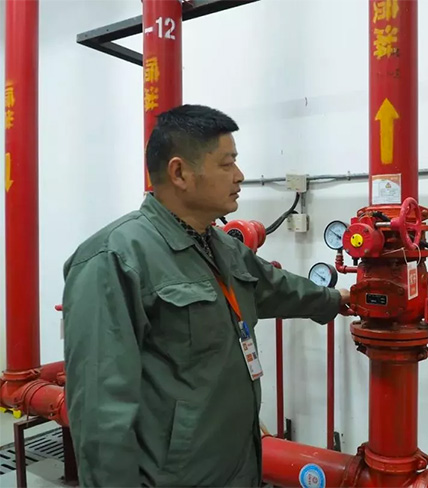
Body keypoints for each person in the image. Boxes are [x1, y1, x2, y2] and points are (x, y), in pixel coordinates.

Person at [62, 104, 350, 487]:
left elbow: (275, 288)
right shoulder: (114, 259)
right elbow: (102, 414)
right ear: (180, 173)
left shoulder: (219, 246)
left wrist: (339, 299)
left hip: (236, 466)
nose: (240, 175)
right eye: (227, 164)